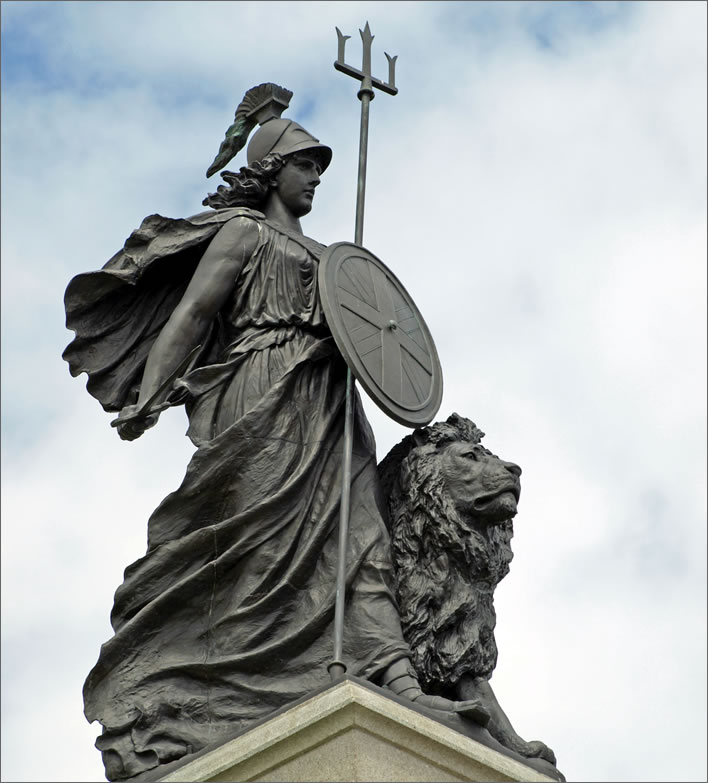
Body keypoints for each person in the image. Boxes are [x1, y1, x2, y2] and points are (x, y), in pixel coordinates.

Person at [64, 84, 486, 781]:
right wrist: (148, 392)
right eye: (304, 164)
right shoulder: (243, 234)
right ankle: (226, 672)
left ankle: (389, 663)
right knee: (254, 536)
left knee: (361, 535)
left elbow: (375, 332)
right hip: (264, 394)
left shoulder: (330, 256)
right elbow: (195, 315)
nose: (316, 175)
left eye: (321, 165)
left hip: (329, 400)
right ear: (272, 171)